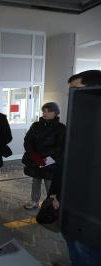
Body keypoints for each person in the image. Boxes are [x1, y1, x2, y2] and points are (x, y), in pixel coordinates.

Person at [49, 70, 101, 266]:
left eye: (76, 90)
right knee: (73, 245)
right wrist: (57, 194)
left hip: (89, 213)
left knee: (85, 251)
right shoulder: (77, 123)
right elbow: (65, 163)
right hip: (70, 205)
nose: (71, 96)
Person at [22, 102, 65, 210]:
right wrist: (34, 155)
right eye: (44, 111)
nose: (45, 113)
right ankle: (34, 201)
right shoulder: (36, 125)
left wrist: (45, 157)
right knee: (36, 180)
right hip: (35, 159)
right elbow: (28, 140)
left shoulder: (61, 128)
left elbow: (60, 146)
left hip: (50, 161)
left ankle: (50, 204)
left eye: (49, 111)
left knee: (50, 184)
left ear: (55, 113)